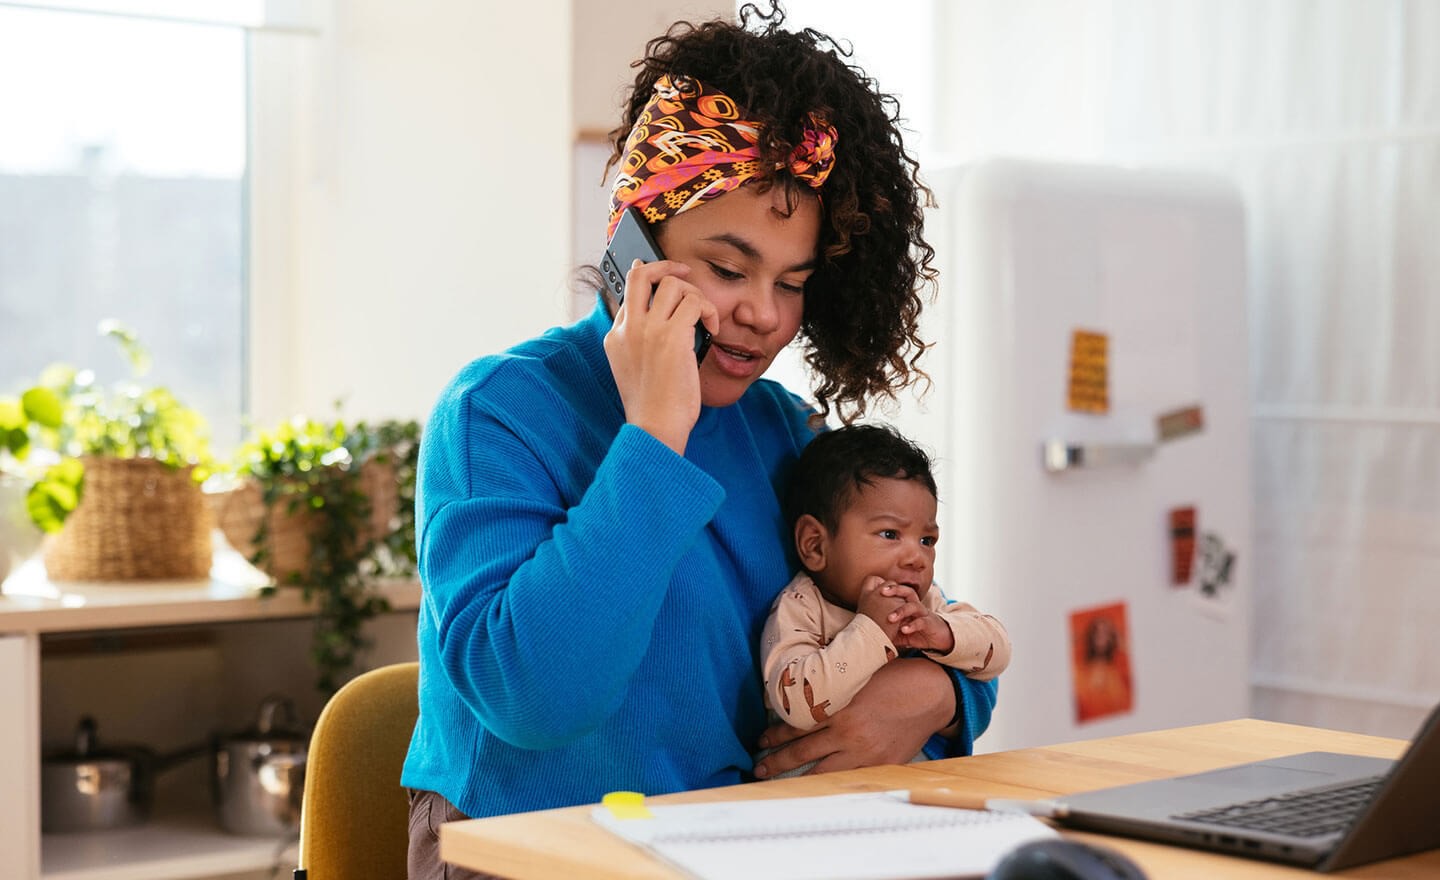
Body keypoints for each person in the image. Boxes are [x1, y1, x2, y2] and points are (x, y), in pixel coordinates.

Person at [402, 3, 999, 876]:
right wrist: (653, 431)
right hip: (533, 853)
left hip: (736, 841)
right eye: (727, 269)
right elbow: (537, 699)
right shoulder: (498, 413)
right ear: (632, 236)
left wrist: (938, 692)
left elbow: (914, 607)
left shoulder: (783, 432)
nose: (763, 314)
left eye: (792, 282)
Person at [758, 423, 1011, 775]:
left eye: (927, 540)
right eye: (890, 534)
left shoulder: (924, 602)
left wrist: (945, 634)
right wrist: (871, 632)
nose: (917, 557)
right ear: (815, 544)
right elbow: (797, 702)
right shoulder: (801, 606)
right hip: (813, 798)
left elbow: (997, 652)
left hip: (907, 792)